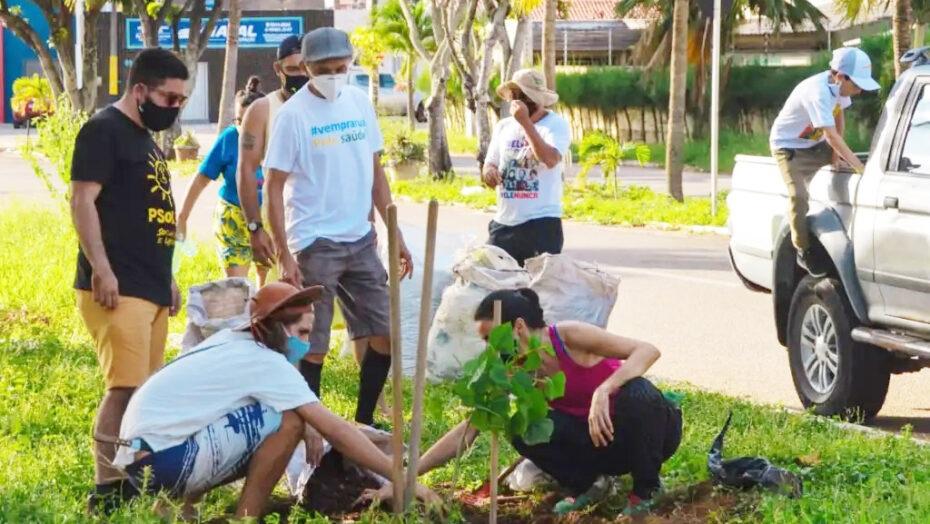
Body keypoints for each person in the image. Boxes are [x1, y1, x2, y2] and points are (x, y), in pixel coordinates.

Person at [111, 282, 439, 519]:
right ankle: (247, 517)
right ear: (277, 329)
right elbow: (337, 430)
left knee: (285, 417)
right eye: (302, 333)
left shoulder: (232, 341)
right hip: (165, 462)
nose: (307, 345)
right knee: (291, 421)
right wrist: (403, 477)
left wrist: (311, 422)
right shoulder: (265, 361)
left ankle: (178, 507)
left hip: (141, 459)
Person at [409, 289, 682, 515]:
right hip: (604, 446)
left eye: (492, 338)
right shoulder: (516, 370)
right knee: (521, 425)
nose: (491, 349)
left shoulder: (568, 336)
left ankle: (647, 489)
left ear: (518, 327)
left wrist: (605, 390)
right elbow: (471, 426)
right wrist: (410, 474)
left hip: (651, 434)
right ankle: (589, 484)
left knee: (638, 391)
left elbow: (648, 350)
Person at [263, 27, 414, 427]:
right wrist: (284, 252)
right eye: (324, 69)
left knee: (384, 335)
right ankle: (312, 429)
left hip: (361, 239)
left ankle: (363, 422)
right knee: (314, 347)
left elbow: (376, 173)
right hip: (315, 244)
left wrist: (394, 233)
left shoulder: (360, 103)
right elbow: (273, 187)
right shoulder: (292, 116)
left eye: (341, 67)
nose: (333, 75)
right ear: (307, 68)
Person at [70, 47, 188, 514]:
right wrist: (101, 268)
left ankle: (133, 478)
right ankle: (106, 489)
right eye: (169, 97)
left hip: (152, 286)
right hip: (117, 287)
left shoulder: (146, 140)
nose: (175, 107)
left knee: (147, 392)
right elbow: (82, 201)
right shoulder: (103, 132)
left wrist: (169, 278)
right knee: (124, 389)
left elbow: (150, 217)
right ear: (140, 90)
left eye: (182, 100)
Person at [770, 46, 879, 276]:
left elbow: (838, 114)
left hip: (815, 144)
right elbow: (830, 135)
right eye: (857, 85)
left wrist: (835, 155)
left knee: (849, 160)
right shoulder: (817, 91)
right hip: (789, 147)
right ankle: (802, 248)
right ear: (840, 76)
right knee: (798, 195)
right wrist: (859, 168)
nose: (859, 91)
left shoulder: (840, 89)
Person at [177, 89, 269, 285]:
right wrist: (182, 217)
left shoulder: (277, 138)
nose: (243, 128)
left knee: (268, 290)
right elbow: (201, 179)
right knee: (237, 289)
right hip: (233, 222)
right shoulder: (229, 139)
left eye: (250, 121)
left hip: (268, 221)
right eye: (238, 121)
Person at [481, 69, 571, 266]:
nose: (519, 103)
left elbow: (549, 159)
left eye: (525, 98)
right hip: (504, 223)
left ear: (537, 100)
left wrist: (525, 123)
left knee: (538, 290)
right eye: (516, 97)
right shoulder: (504, 127)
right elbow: (490, 164)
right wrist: (489, 173)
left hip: (541, 224)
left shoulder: (556, 125)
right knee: (496, 287)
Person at [237, 34, 308, 267]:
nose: (301, 76)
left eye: (306, 68)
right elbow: (246, 169)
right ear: (278, 68)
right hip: (288, 234)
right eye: (293, 69)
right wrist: (255, 228)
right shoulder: (262, 110)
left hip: (339, 234)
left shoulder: (333, 106)